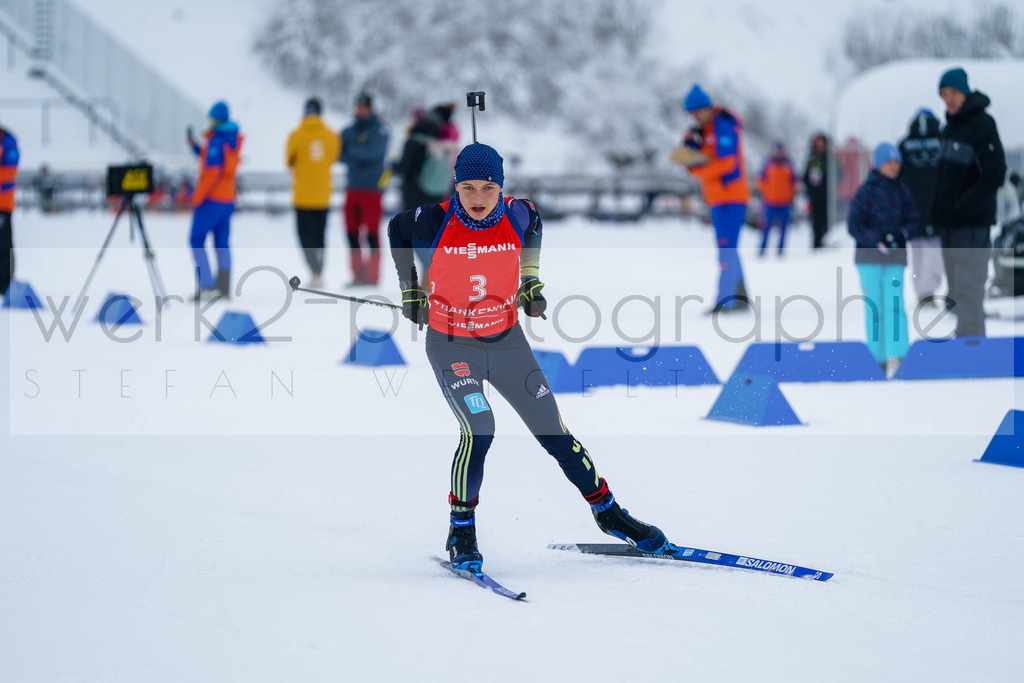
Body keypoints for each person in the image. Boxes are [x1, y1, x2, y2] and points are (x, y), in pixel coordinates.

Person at [387, 142, 672, 572]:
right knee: (479, 429)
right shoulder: (435, 217)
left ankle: (609, 512)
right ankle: (461, 530)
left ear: (501, 188)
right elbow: (396, 229)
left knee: (554, 431)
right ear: (455, 186)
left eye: (488, 187)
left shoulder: (518, 214)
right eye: (468, 187)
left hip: (507, 344)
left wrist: (530, 281)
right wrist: (410, 289)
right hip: (452, 344)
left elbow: (535, 224)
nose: (478, 197)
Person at [933, 67, 1007, 337]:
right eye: (943, 94)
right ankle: (964, 340)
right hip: (950, 227)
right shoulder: (949, 127)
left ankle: (972, 344)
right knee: (955, 293)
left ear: (964, 92)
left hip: (972, 226)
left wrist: (963, 206)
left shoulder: (982, 124)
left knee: (969, 289)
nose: (948, 99)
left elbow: (995, 173)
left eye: (953, 92)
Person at [847, 143, 919, 377]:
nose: (894, 166)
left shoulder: (903, 191)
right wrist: (875, 239)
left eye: (897, 162)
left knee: (895, 304)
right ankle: (876, 359)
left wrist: (900, 235)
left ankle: (899, 355)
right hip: (868, 259)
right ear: (878, 164)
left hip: (895, 258)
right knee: (874, 307)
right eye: (889, 162)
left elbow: (914, 220)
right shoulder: (866, 191)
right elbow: (854, 225)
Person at [680, 84, 751, 313]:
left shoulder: (723, 127)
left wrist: (698, 167)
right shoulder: (707, 131)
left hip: (731, 197)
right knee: (728, 248)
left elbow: (726, 163)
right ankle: (739, 298)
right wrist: (690, 147)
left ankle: (726, 301)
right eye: (691, 114)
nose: (694, 117)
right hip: (717, 198)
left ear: (707, 108)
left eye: (696, 112)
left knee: (726, 249)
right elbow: (699, 165)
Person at [392, 103, 459, 285]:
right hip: (436, 193)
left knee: (414, 234)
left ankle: (430, 271)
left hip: (415, 194)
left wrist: (393, 165)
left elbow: (405, 167)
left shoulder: (415, 140)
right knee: (432, 234)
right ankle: (436, 273)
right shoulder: (438, 139)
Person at [187, 100, 244, 300]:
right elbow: (211, 158)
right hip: (228, 198)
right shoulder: (231, 139)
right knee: (222, 242)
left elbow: (212, 172)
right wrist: (195, 147)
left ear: (215, 119)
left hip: (212, 199)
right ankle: (223, 287)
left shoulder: (216, 140)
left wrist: (196, 197)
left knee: (196, 239)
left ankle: (207, 287)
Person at [286, 97, 340, 289]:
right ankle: (319, 271)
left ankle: (313, 270)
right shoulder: (331, 134)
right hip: (323, 194)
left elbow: (289, 161)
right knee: (320, 235)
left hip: (302, 195)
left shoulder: (296, 134)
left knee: (305, 235)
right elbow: (334, 157)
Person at [340, 92, 389, 286]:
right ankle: (357, 275)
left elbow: (371, 152)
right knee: (351, 232)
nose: (359, 110)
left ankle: (372, 275)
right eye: (358, 107)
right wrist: (358, 154)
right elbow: (340, 154)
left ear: (370, 108)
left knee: (371, 232)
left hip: (372, 189)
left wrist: (353, 152)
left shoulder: (380, 130)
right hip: (352, 187)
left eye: (363, 107)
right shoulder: (349, 130)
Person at [897, 108, 945, 308]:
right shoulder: (943, 140)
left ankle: (923, 292)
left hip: (914, 209)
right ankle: (927, 293)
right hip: (937, 208)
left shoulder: (905, 144)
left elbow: (898, 176)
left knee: (919, 252)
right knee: (933, 252)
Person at [756, 142, 796, 256]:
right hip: (770, 201)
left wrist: (791, 194)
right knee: (766, 226)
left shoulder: (789, 165)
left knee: (784, 227)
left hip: (785, 202)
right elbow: (759, 179)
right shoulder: (767, 163)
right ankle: (762, 249)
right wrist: (766, 191)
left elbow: (795, 181)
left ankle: (781, 249)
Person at [803, 133, 830, 249]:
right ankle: (816, 244)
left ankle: (826, 242)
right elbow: (805, 177)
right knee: (816, 222)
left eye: (822, 143)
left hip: (827, 196)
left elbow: (837, 174)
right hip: (815, 197)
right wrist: (810, 191)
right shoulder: (811, 159)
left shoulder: (829, 158)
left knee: (826, 221)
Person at [1, 124, 19, 296]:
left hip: (3, 206)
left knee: (4, 245)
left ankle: (5, 286)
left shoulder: (9, 143)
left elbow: (9, 173)